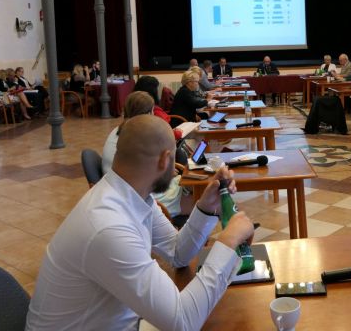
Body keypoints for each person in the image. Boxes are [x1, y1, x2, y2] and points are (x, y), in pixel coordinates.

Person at [26, 115, 254, 330]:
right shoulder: (108, 227)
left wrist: (206, 207)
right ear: (165, 159)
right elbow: (183, 322)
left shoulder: (132, 195)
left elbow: (177, 253)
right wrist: (228, 242)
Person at [102, 91, 190, 222]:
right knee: (197, 200)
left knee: (184, 184)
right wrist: (167, 173)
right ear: (148, 114)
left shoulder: (120, 131)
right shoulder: (137, 137)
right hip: (140, 198)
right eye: (153, 111)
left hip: (122, 191)